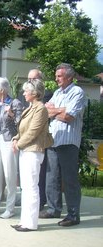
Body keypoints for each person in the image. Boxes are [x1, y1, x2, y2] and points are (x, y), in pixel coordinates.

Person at [40, 63, 86, 227]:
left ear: (69, 77)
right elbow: (46, 112)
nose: (56, 78)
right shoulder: (57, 93)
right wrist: (60, 110)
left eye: (59, 76)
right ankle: (53, 209)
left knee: (69, 179)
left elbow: (69, 116)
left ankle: (73, 215)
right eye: (56, 75)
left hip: (68, 142)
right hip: (53, 141)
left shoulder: (77, 92)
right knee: (52, 177)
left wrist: (55, 111)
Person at [11, 79, 53, 232]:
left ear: (34, 93)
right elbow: (23, 130)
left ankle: (31, 223)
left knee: (31, 187)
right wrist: (16, 138)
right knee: (26, 187)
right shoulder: (30, 108)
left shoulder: (40, 109)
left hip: (33, 150)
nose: (23, 93)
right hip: (26, 150)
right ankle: (24, 220)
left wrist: (19, 144)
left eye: (26, 91)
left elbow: (33, 132)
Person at [0, 77, 23, 218]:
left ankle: (10, 208)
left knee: (10, 175)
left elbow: (21, 124)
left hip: (9, 141)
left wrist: (12, 114)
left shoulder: (15, 103)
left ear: (2, 90)